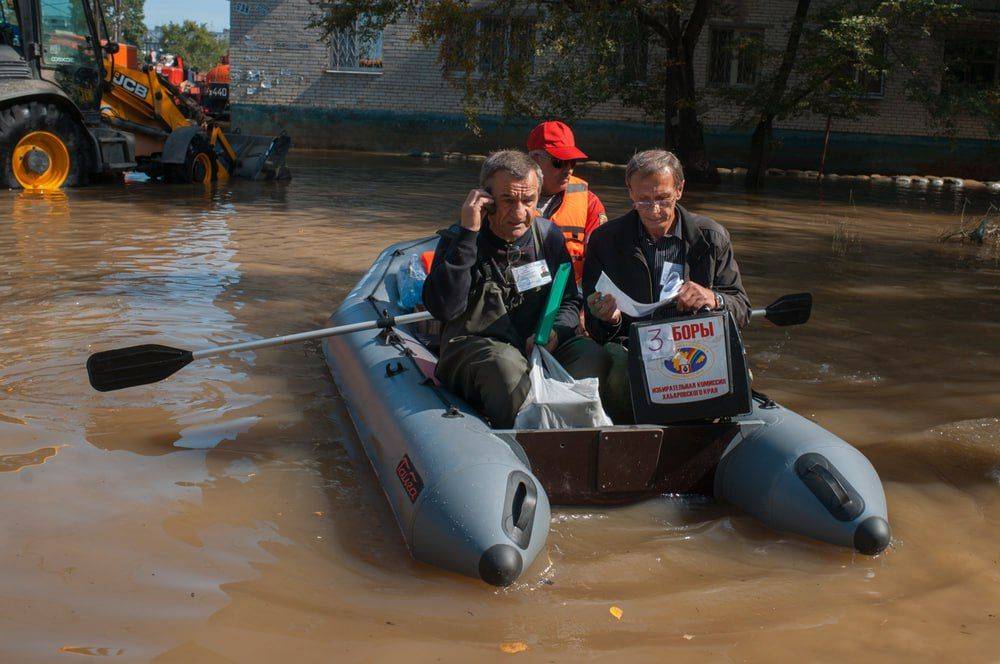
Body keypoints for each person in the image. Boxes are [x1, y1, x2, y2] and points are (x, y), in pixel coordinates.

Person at [423, 150, 610, 429]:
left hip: (540, 346)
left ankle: (577, 437)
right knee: (506, 366)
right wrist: (468, 236)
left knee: (593, 357)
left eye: (528, 200)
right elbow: (443, 308)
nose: (520, 213)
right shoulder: (459, 240)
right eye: (508, 200)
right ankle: (521, 443)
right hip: (476, 351)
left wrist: (555, 333)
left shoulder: (548, 237)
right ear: (485, 200)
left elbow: (569, 301)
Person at [582, 149, 750, 423]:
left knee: (736, 379)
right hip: (634, 348)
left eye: (662, 198)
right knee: (620, 378)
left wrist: (712, 298)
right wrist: (608, 318)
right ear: (630, 192)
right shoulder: (605, 241)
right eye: (643, 201)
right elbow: (595, 328)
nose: (654, 210)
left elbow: (741, 308)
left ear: (680, 190)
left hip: (697, 346)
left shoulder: (711, 237)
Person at [527, 121, 608, 283]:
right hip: (522, 297)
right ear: (534, 159)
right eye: (559, 162)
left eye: (572, 162)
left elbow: (602, 261)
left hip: (570, 298)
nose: (568, 169)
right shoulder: (509, 199)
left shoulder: (589, 203)